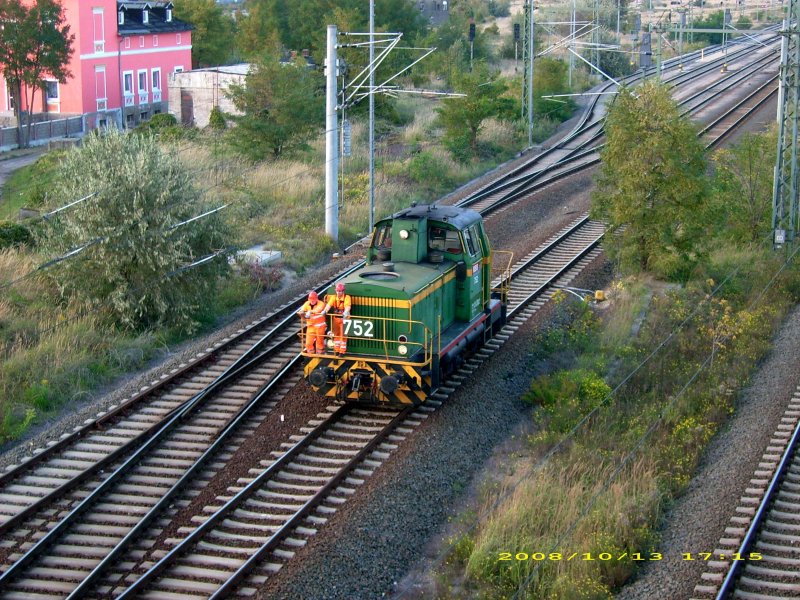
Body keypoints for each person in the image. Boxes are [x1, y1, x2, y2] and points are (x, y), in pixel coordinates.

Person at [323, 282, 351, 355]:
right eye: (338, 291)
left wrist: (345, 312)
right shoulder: (333, 297)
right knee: (336, 335)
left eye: (340, 291)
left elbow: (348, 306)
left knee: (343, 336)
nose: (339, 292)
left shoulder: (346, 297)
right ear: (336, 291)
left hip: (344, 319)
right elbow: (329, 305)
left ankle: (342, 352)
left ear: (343, 291)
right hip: (336, 319)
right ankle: (337, 350)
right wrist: (325, 311)